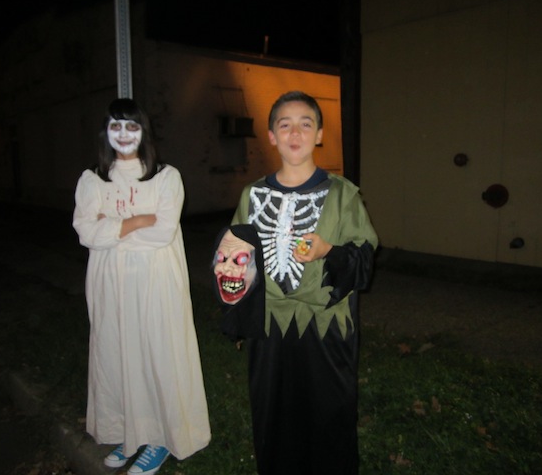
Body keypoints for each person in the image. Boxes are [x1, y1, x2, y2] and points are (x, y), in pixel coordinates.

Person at [229, 91, 378, 475]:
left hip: (325, 330)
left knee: (330, 415)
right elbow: (236, 261)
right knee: (273, 415)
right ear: (272, 136)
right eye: (285, 125)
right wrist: (238, 315)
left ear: (319, 134)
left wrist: (330, 251)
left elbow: (364, 262)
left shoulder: (343, 195)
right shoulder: (252, 195)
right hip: (269, 331)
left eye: (305, 124)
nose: (295, 133)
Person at [73, 98, 211, 475]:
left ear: (143, 132)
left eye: (131, 126)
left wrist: (112, 225)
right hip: (109, 284)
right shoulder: (93, 180)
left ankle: (161, 438)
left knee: (155, 353)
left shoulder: (166, 177)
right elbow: (86, 232)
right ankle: (130, 431)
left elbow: (163, 232)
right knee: (117, 354)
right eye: (115, 126)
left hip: (156, 282)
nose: (123, 134)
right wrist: (136, 221)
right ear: (105, 132)